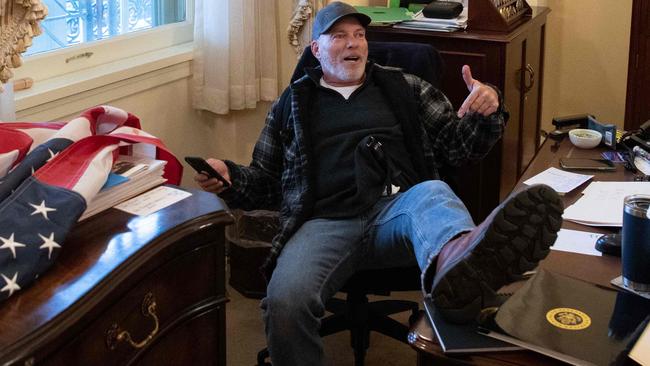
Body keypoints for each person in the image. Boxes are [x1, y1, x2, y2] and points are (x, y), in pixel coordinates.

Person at [195, 2, 563, 365]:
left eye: (359, 35)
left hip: (398, 212)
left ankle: (458, 266)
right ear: (316, 50)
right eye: (339, 36)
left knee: (434, 193)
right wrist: (228, 177)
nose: (353, 43)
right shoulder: (292, 103)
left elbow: (459, 146)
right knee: (284, 304)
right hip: (324, 221)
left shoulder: (404, 87)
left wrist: (488, 109)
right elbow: (264, 182)